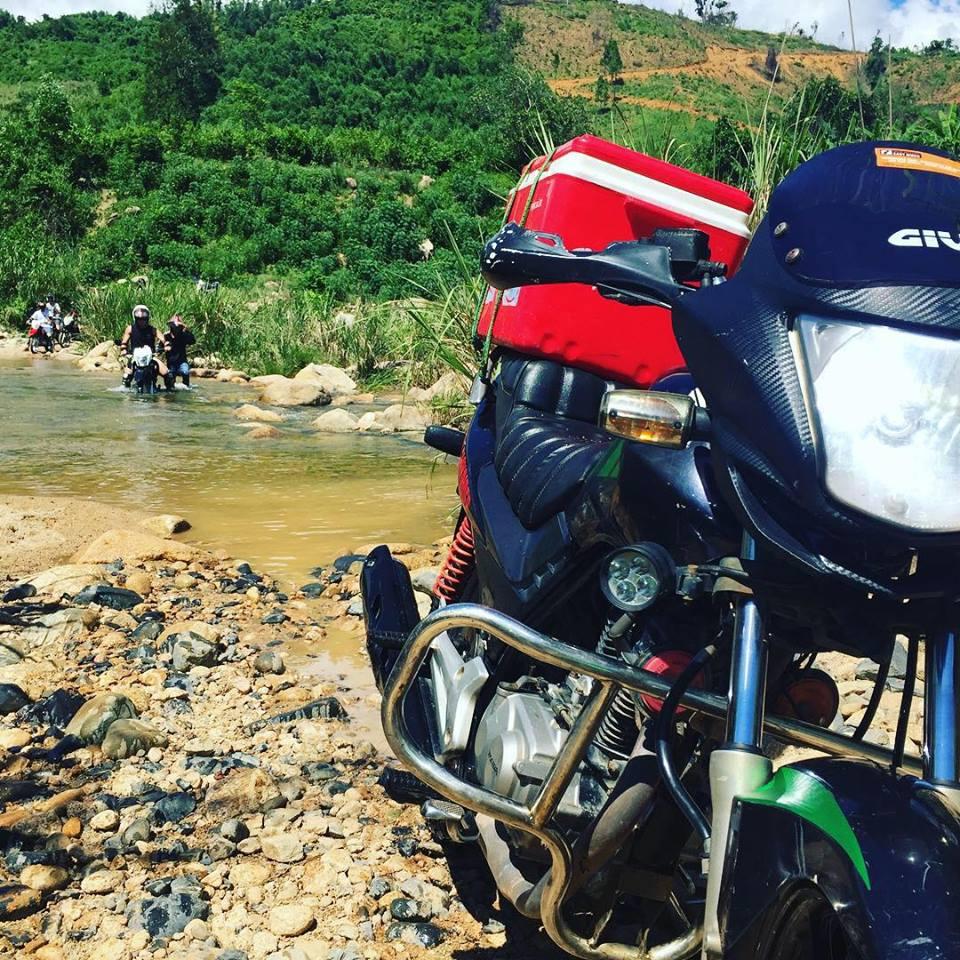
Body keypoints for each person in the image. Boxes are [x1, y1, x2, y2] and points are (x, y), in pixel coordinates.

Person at [120, 305, 167, 386]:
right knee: (127, 376)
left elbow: (163, 339)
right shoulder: (130, 329)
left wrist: (166, 345)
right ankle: (125, 390)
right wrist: (123, 350)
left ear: (147, 319)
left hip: (151, 356)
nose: (142, 322)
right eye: (139, 319)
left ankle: (170, 390)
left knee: (167, 373)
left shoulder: (153, 329)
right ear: (135, 319)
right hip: (134, 357)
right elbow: (124, 342)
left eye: (144, 319)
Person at [162, 314, 195, 390]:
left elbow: (192, 341)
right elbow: (160, 347)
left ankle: (187, 387)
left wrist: (186, 330)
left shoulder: (184, 335)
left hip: (182, 361)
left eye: (178, 326)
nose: (176, 328)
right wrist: (165, 348)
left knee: (185, 372)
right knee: (170, 378)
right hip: (171, 362)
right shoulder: (166, 336)